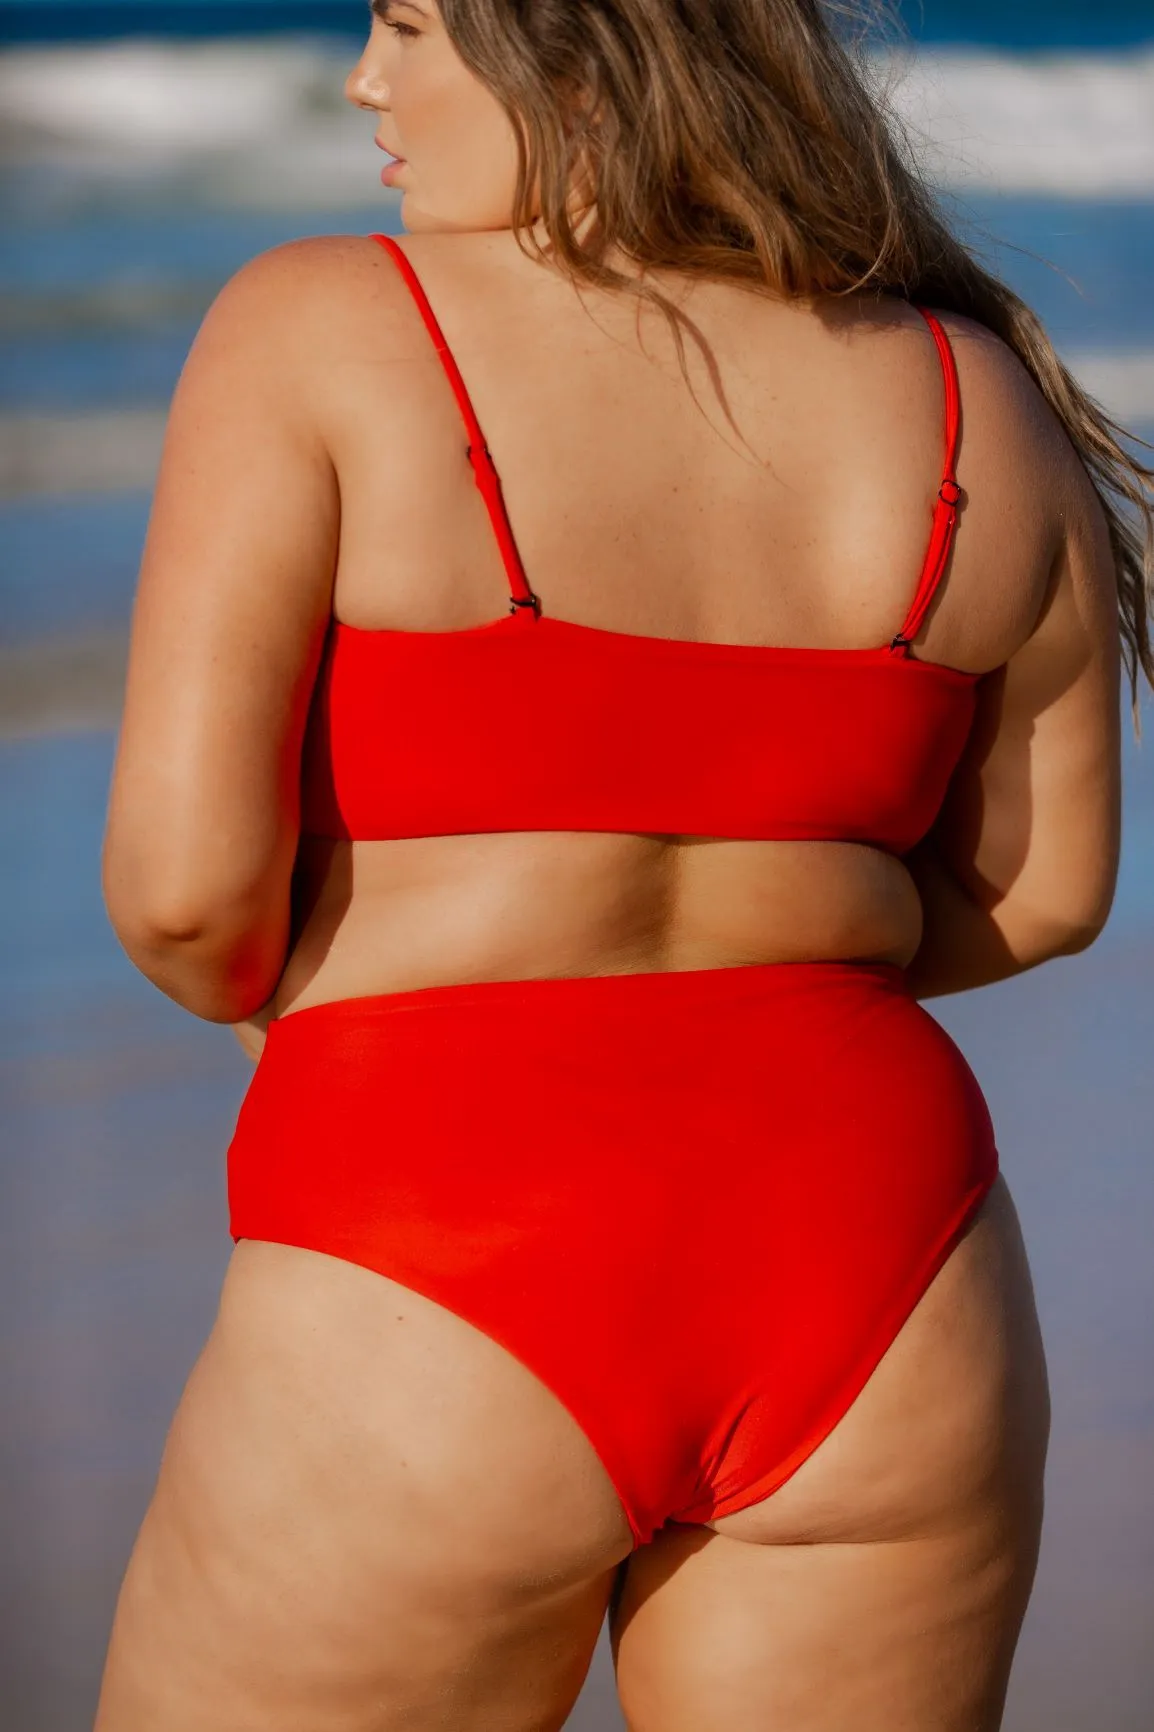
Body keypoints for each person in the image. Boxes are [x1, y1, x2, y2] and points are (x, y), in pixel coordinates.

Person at [96, 2, 1151, 1728]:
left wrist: (374, 1016)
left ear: (582, 49)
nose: (365, 78)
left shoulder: (322, 327)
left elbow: (185, 890)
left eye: (410, 22)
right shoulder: (981, 399)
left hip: (432, 1222)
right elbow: (1043, 894)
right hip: (880, 1259)